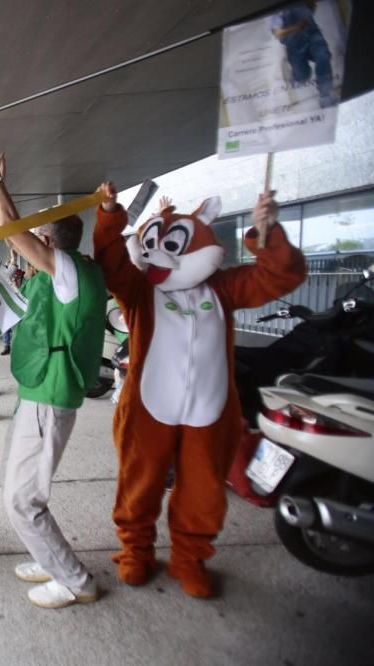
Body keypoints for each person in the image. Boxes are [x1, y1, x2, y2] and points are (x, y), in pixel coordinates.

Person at [92, 181, 306, 598]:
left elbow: (279, 275)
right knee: (140, 483)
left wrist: (267, 235)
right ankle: (135, 550)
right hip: (149, 409)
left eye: (170, 243)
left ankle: (189, 558)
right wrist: (109, 215)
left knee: (204, 489)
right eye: (151, 243)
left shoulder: (222, 289)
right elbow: (113, 262)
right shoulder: (140, 291)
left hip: (209, 411)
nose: (158, 253)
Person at [0, 130, 106, 609]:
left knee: (21, 500)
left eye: (38, 239)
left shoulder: (68, 273)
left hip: (50, 397)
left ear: (47, 240)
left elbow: (9, 227)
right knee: (17, 484)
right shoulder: (73, 272)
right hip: (40, 390)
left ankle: (73, 579)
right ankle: (48, 559)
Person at [271, 1, 336, 108]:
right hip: (295, 45)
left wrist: (308, 15)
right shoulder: (278, 12)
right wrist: (296, 28)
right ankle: (297, 75)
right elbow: (277, 33)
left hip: (312, 37)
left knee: (323, 57)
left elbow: (313, 5)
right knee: (302, 76)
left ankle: (325, 96)